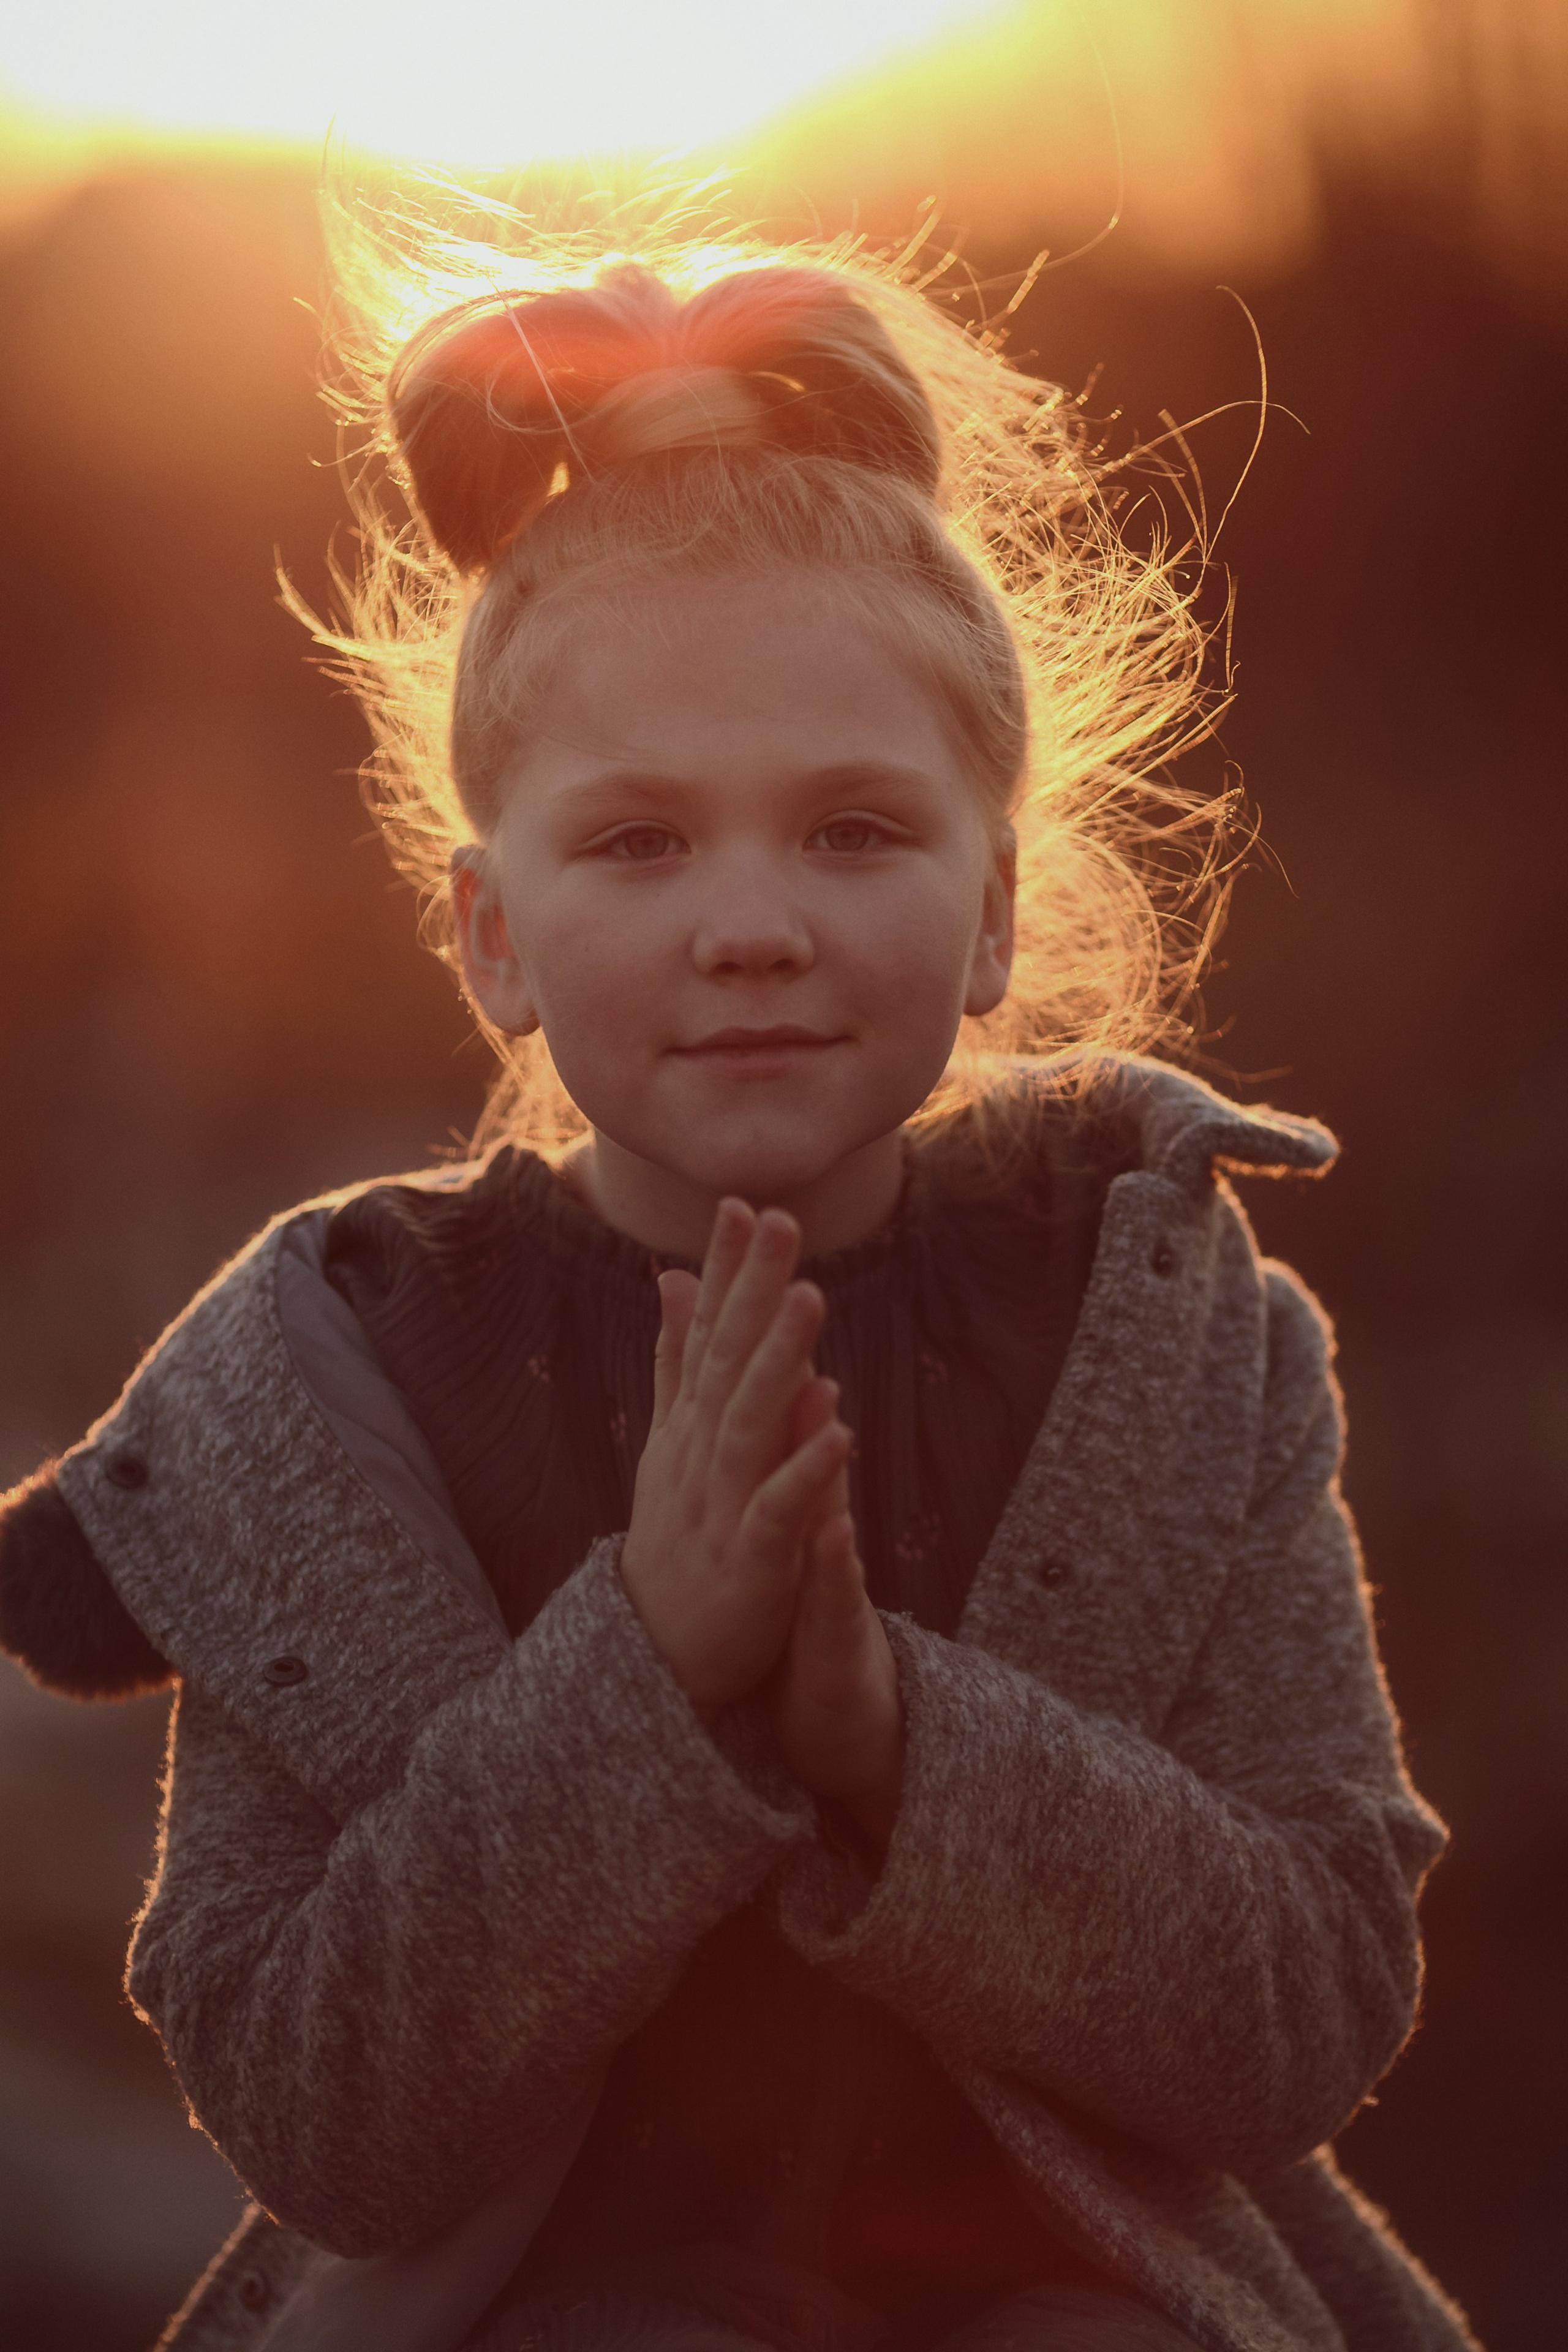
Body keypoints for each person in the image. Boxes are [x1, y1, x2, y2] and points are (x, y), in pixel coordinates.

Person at [0, 209, 1479, 2352]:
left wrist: (887, 1736)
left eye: (859, 831)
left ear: (991, 914)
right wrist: (649, 1670)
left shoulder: (1171, 1341)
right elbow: (318, 2117)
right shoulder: (324, 1402)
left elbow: (1309, 2009)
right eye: (637, 842)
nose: (754, 922)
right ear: (492, 937)